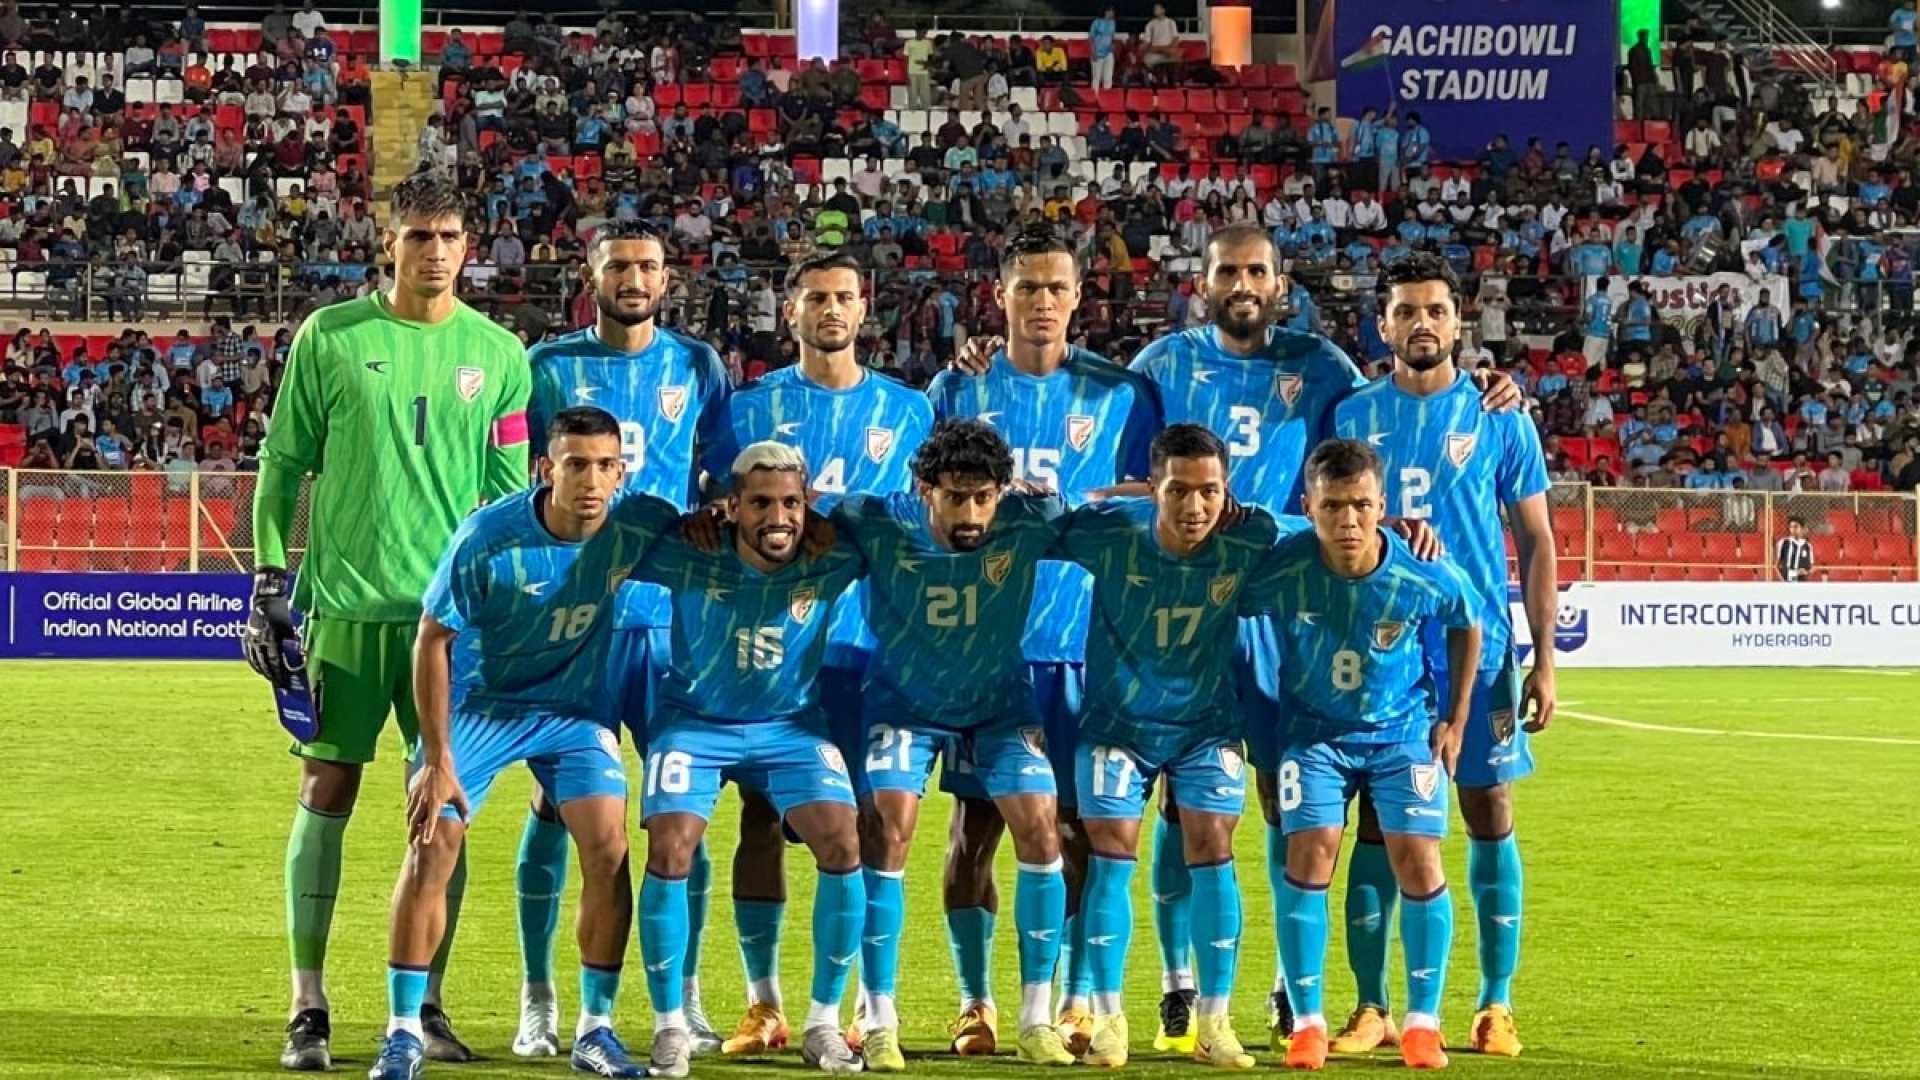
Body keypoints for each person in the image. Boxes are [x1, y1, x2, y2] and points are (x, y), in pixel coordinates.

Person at [1127, 225, 1518, 1049]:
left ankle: (1283, 987)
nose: (1243, 282)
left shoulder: (1327, 371)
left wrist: (1483, 390)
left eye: (1257, 270)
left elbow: (1357, 465)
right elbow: (1139, 476)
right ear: (1202, 281)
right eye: (1227, 269)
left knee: (1282, 806)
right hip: (1209, 603)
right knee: (1182, 798)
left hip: (1294, 606)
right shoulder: (1161, 364)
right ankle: (1178, 983)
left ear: (1281, 284)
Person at [242, 175, 530, 1072]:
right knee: (327, 793)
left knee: (445, 808)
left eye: (448, 235)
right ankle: (308, 1003)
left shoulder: (501, 355)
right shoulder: (330, 337)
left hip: (447, 627)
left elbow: (509, 489)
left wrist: (513, 597)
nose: (434, 250)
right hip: (346, 614)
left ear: (467, 246)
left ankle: (427, 1006)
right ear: (389, 245)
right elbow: (283, 463)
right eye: (418, 236)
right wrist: (267, 578)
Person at [368, 407, 677, 1080]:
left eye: (604, 466)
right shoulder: (488, 536)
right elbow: (432, 640)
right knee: (434, 840)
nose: (591, 481)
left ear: (621, 471)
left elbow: (715, 545)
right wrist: (437, 761)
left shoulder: (637, 523)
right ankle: (401, 1031)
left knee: (609, 843)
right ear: (547, 468)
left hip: (572, 708)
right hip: (481, 705)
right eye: (576, 465)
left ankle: (596, 1028)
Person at [929, 227, 1163, 1058]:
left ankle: (1069, 1000)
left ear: (1077, 296)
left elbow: (1157, 488)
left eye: (1055, 287)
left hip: (1085, 647)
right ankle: (973, 1000)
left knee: (1074, 830)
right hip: (987, 649)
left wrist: (1086, 496)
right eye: (1026, 286)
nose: (1041, 301)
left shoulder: (1121, 392)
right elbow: (921, 496)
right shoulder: (961, 385)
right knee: (975, 831)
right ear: (1000, 294)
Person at [700, 253, 934, 1057]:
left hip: (871, 652)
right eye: (814, 299)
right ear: (789, 311)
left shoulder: (910, 411)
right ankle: (762, 1002)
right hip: (774, 652)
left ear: (863, 308)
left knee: (870, 826)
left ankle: (868, 1004)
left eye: (843, 297)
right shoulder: (748, 405)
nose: (830, 310)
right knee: (760, 817)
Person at [511, 221, 734, 1057]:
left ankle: (686, 995)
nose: (633, 278)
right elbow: (516, 481)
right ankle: (538, 997)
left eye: (647, 266)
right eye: (619, 266)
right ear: (591, 273)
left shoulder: (697, 366)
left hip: (673, 624)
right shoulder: (547, 369)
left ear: (666, 277)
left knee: (687, 808)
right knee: (553, 806)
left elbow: (721, 472)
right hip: (579, 625)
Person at [1330, 253, 1557, 1058]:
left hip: (1480, 647)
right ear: (1383, 325)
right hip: (1383, 645)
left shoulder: (1501, 416)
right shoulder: (1352, 413)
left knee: (1488, 811)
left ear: (1459, 323)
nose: (1421, 323)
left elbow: (1534, 540)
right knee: (1375, 822)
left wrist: (1545, 660)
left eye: (1436, 310)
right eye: (1406, 311)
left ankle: (1495, 1003)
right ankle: (1369, 1005)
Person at [827, 419, 1079, 1069]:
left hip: (997, 707)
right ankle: (875, 1012)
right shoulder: (877, 520)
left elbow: (1096, 505)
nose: (972, 513)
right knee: (887, 826)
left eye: (984, 496)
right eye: (956, 496)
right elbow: (804, 514)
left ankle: (1033, 1015)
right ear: (924, 489)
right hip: (904, 706)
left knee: (1041, 825)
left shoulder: (1029, 518)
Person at [634, 441, 867, 1078]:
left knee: (844, 843)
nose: (779, 517)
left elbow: (897, 519)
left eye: (791, 502)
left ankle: (822, 1024)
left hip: (791, 728)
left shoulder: (833, 553)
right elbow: (618, 530)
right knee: (670, 848)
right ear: (732, 506)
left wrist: (835, 513)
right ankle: (670, 1027)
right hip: (694, 724)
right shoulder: (691, 551)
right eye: (761, 503)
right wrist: (682, 515)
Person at [1056, 423, 1285, 1069]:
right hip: (1117, 726)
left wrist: (1396, 528)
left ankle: (1214, 1022)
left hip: (1206, 726)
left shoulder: (1252, 532)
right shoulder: (1110, 532)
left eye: (1210, 491)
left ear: (1227, 490)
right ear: (1152, 488)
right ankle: (1107, 1019)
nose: (1195, 507)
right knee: (1110, 853)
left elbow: (1325, 530)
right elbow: (1036, 526)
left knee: (1214, 847)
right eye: (1179, 490)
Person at [1258, 437, 1482, 1072]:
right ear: (1309, 507)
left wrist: (1456, 719)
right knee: (1311, 851)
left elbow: (1469, 621)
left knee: (1419, 857)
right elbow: (1232, 609)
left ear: (1383, 504)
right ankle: (1306, 1024)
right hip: (1313, 735)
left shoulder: (1420, 566)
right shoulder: (1284, 562)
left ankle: (1422, 1023)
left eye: (1360, 505)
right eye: (1332, 507)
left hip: (1399, 735)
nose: (1347, 521)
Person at [1776, 516, 1814, 580]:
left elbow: (1810, 567)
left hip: (1802, 582)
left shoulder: (1808, 546)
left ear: (1802, 528)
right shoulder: (1784, 542)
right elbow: (1777, 565)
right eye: (1791, 527)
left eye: (1796, 526)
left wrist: (1807, 572)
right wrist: (1782, 581)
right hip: (1787, 580)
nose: (1793, 529)